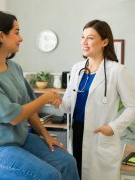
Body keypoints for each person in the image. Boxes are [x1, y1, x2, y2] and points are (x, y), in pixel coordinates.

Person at [0, 11, 80, 180]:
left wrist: (46, 136)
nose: (21, 38)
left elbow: (28, 107)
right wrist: (45, 98)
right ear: (1, 36)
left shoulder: (14, 68)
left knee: (68, 162)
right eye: (16, 32)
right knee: (49, 176)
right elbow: (14, 117)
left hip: (19, 139)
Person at [54, 19, 135, 180]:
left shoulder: (117, 71)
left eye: (90, 38)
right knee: (76, 174)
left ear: (104, 42)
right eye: (82, 37)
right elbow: (68, 106)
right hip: (76, 133)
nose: (84, 42)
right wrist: (58, 102)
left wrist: (113, 127)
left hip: (100, 135)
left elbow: (132, 106)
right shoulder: (77, 68)